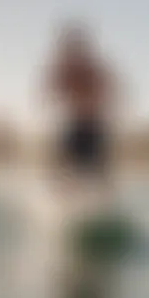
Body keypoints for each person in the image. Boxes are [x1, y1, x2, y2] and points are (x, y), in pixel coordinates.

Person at [42, 22, 119, 197]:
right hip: (75, 125)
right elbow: (51, 90)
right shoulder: (64, 68)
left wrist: (99, 104)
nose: (73, 52)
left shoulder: (93, 68)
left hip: (93, 126)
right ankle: (64, 205)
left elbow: (109, 90)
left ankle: (104, 203)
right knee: (65, 173)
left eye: (77, 47)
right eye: (71, 48)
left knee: (97, 173)